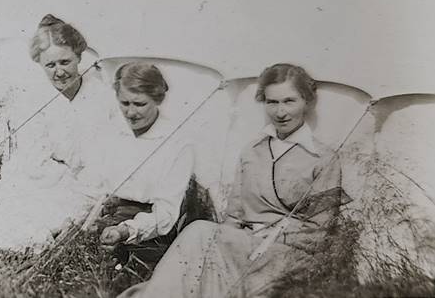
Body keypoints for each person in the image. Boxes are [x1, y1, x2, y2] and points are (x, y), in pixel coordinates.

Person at [118, 63, 350, 298]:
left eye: (289, 101)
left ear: (307, 102)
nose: (280, 112)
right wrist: (224, 244)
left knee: (200, 232)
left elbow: (320, 230)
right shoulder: (253, 151)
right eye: (272, 102)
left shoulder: (323, 158)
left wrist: (264, 237)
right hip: (242, 245)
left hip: (287, 255)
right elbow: (234, 217)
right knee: (203, 240)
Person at [0, 14, 118, 250]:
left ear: (79, 57)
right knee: (24, 219)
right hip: (46, 181)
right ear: (40, 64)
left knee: (73, 209)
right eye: (50, 65)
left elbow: (107, 151)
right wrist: (65, 168)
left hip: (90, 181)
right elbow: (35, 160)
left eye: (65, 62)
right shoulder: (33, 101)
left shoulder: (101, 96)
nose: (59, 72)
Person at [88, 62, 195, 264]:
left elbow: (166, 213)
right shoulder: (112, 130)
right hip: (107, 214)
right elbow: (96, 182)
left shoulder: (178, 143)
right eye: (124, 103)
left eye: (139, 104)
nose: (130, 113)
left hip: (148, 227)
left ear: (157, 99)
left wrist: (125, 230)